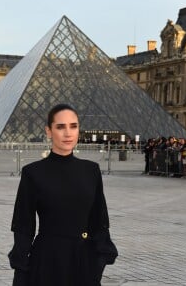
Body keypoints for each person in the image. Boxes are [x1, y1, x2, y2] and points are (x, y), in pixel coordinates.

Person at [8, 103, 118, 286]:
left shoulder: (91, 170)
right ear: (49, 131)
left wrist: (97, 263)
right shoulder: (32, 173)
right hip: (47, 261)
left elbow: (99, 221)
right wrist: (21, 271)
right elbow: (23, 226)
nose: (68, 133)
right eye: (60, 127)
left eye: (73, 126)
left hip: (84, 262)